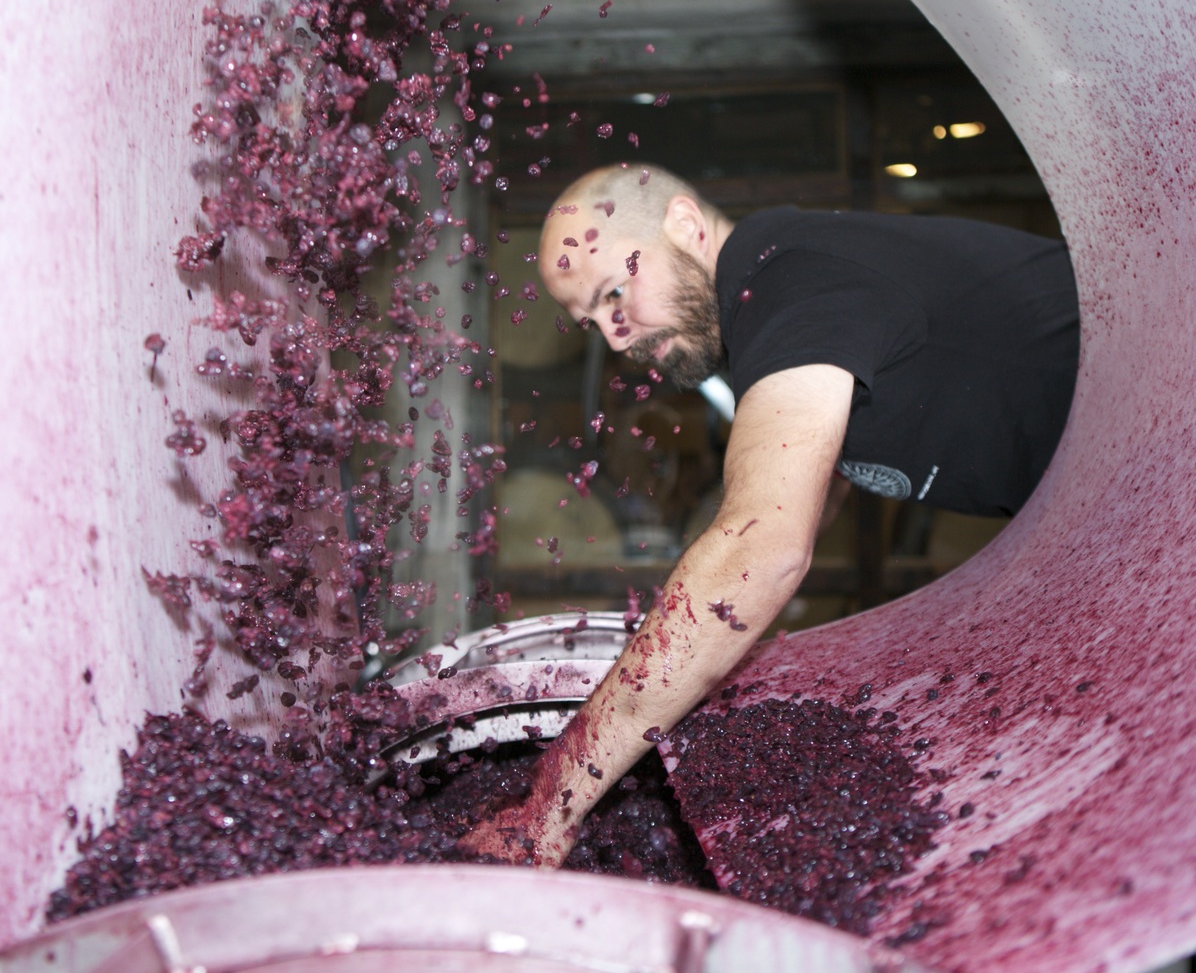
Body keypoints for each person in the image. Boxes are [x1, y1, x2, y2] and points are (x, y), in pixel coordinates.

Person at [458, 162, 1079, 866]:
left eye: (616, 294)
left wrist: (549, 807)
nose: (618, 337)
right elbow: (811, 492)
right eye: (594, 322)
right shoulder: (783, 299)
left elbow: (761, 548)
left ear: (687, 227)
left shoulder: (790, 285)